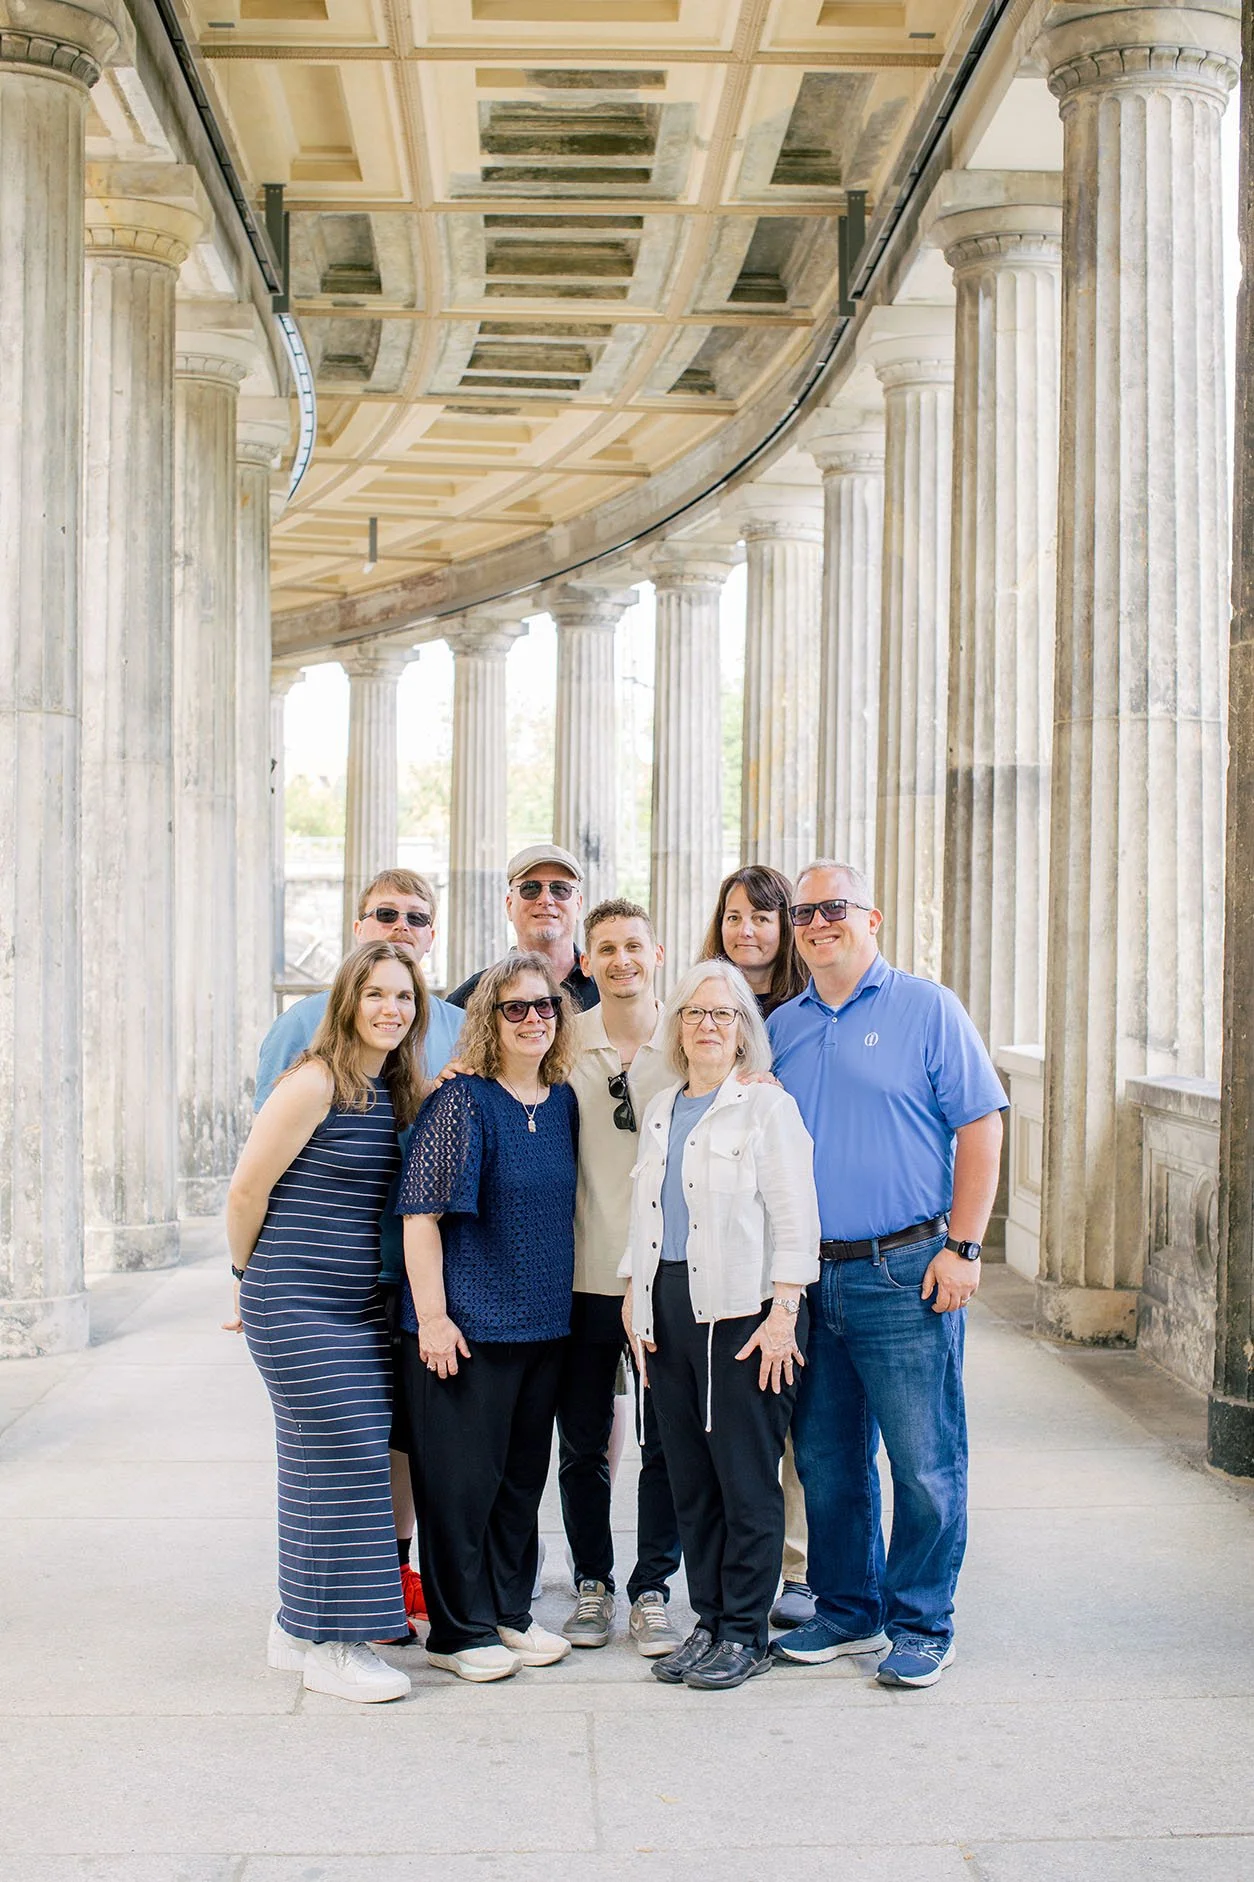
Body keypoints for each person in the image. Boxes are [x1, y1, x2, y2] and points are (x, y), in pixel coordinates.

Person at [767, 860, 1005, 1689]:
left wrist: (964, 1248)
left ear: (873, 917)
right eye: (804, 914)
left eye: (834, 908)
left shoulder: (926, 1009)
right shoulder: (784, 1026)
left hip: (908, 1270)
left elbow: (980, 1127)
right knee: (829, 1462)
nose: (817, 923)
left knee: (924, 1460)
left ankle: (922, 1622)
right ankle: (847, 1608)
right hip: (809, 1278)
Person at [253, 868, 462, 1634]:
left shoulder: (450, 1024)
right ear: (356, 924)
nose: (399, 926)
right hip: (311, 1281)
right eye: (384, 913)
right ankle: (323, 1622)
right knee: (336, 1452)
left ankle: (376, 1586)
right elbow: (257, 1177)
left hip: (403, 1281)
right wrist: (247, 1279)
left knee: (387, 1441)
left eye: (416, 916)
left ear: (431, 933)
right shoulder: (303, 1040)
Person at [224, 941, 427, 1705]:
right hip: (295, 1299)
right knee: (344, 1455)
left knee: (328, 1459)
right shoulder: (314, 1082)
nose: (390, 1009)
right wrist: (247, 1283)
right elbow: (247, 1193)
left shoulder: (390, 1088)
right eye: (374, 993)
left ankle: (296, 1626)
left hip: (353, 1303)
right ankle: (336, 1645)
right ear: (347, 1001)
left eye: (403, 997)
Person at [620, 961, 820, 1692]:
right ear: (676, 1026)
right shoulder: (665, 1105)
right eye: (695, 1013)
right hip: (668, 1308)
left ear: (743, 1031)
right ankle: (707, 1623)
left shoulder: (767, 1110)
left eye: (724, 1014)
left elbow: (798, 1219)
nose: (708, 1024)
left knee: (745, 1479)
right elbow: (648, 1214)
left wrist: (783, 1316)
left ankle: (745, 1631)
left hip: (742, 1314)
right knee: (688, 1481)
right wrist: (631, 1300)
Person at [397, 951, 580, 1683]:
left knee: (517, 1485)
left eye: (545, 1007)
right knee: (460, 1486)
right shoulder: (462, 1102)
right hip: (467, 1330)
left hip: (543, 1328)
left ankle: (508, 1612)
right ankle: (456, 1629)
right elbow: (421, 1218)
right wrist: (434, 1318)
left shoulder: (562, 1099)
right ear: (488, 1020)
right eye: (516, 1008)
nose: (533, 1018)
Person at [557, 899, 683, 1657]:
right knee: (580, 1445)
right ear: (586, 961)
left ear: (657, 952)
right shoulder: (559, 1040)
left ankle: (653, 1589)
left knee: (662, 1441)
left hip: (664, 1279)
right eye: (605, 948)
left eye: (633, 945)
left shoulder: (692, 1036)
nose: (621, 960)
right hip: (580, 1276)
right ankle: (592, 1582)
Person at [702, 863, 813, 1630]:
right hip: (729, 1245)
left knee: (799, 1417)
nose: (748, 931)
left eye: (764, 918)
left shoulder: (807, 1012)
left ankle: (798, 1567)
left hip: (797, 1229)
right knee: (742, 1422)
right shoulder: (705, 1005)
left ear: (785, 928)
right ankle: (732, 1575)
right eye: (736, 916)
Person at [446, 844, 599, 1013]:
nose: (546, 899)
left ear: (578, 905)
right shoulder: (472, 997)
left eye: (560, 889)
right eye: (531, 888)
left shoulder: (608, 988)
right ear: (509, 905)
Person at [701, 863, 808, 1018]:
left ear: (786, 926)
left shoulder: (811, 1007)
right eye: (734, 918)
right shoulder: (698, 1003)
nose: (744, 932)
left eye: (760, 918)